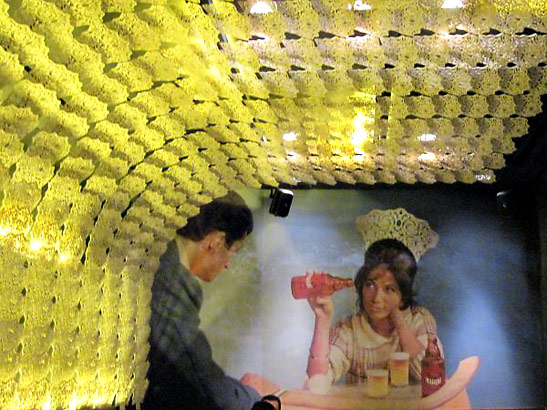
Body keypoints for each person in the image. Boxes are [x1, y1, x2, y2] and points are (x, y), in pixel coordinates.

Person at [142, 192, 280, 409]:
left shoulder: (160, 260)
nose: (228, 264)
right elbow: (202, 384)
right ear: (214, 242)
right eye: (234, 251)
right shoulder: (170, 282)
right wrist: (255, 398)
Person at [306, 238, 442, 385]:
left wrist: (399, 322)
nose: (377, 298)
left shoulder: (419, 320)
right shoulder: (349, 329)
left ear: (403, 296)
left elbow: (432, 378)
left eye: (389, 289)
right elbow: (317, 380)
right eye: (370, 285)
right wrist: (323, 319)